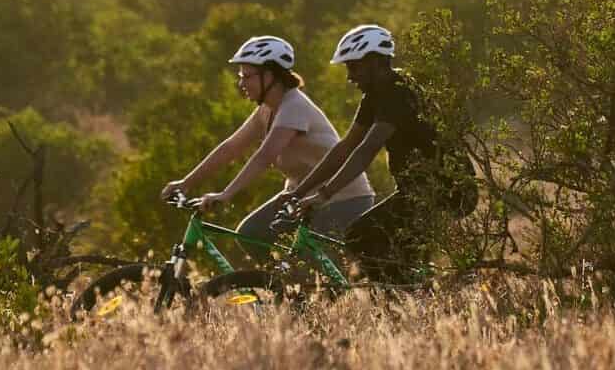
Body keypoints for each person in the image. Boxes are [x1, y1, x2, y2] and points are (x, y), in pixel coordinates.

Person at [287, 24, 478, 282]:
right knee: (382, 250)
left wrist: (324, 194)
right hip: (418, 190)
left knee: (362, 236)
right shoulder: (375, 95)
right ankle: (406, 298)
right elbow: (346, 146)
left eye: (353, 67)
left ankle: (404, 301)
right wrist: (299, 192)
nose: (349, 77)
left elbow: (366, 150)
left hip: (445, 191)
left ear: (375, 62)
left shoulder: (399, 92)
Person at [163, 35, 377, 244]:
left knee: (302, 264)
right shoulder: (267, 109)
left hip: (343, 199)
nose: (241, 83)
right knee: (251, 234)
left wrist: (227, 194)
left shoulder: (294, 106)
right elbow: (230, 148)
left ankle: (298, 280)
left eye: (247, 76)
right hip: (299, 197)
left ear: (271, 75)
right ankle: (272, 280)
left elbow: (264, 156)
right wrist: (186, 183)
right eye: (241, 76)